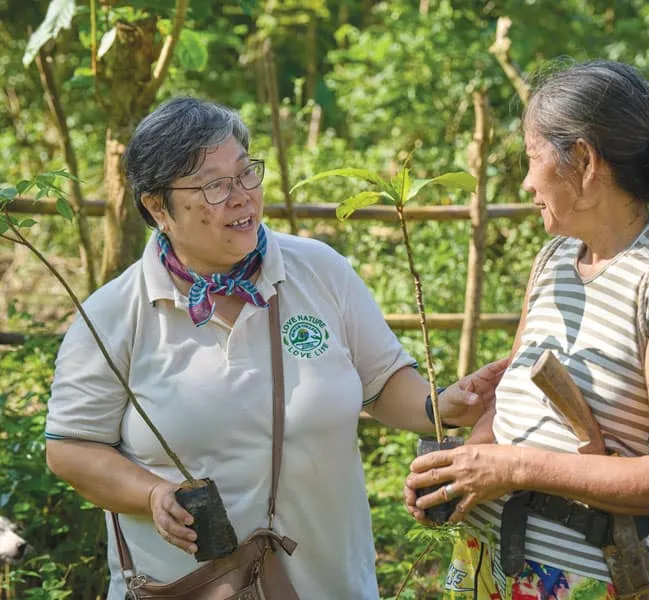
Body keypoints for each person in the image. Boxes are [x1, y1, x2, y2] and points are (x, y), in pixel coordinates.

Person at [44, 97, 508, 600]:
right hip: (184, 586)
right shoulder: (115, 313)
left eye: (246, 174)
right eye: (214, 186)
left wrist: (441, 406)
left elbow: (383, 382)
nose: (241, 196)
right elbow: (70, 448)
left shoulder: (319, 271)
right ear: (158, 207)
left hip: (331, 584)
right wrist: (152, 494)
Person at [404, 60, 649, 600]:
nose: (528, 182)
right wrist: (458, 475)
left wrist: (512, 466)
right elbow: (507, 409)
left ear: (582, 160)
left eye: (533, 159)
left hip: (589, 579)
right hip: (487, 564)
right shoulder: (555, 257)